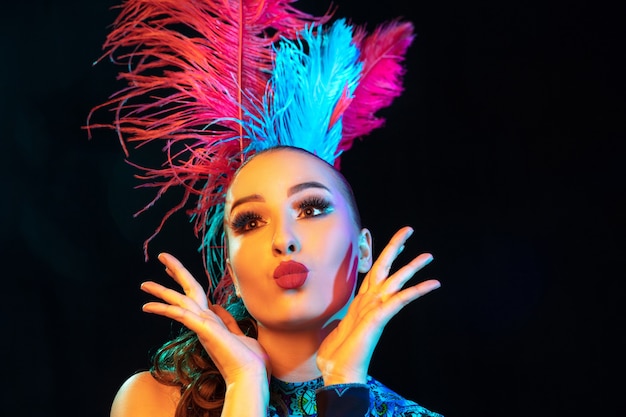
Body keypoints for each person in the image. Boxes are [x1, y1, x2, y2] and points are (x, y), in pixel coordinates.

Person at [88, 1, 444, 416]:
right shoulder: (151, 402)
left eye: (311, 209)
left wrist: (345, 387)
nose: (283, 239)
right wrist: (244, 386)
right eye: (251, 221)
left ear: (363, 249)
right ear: (233, 273)